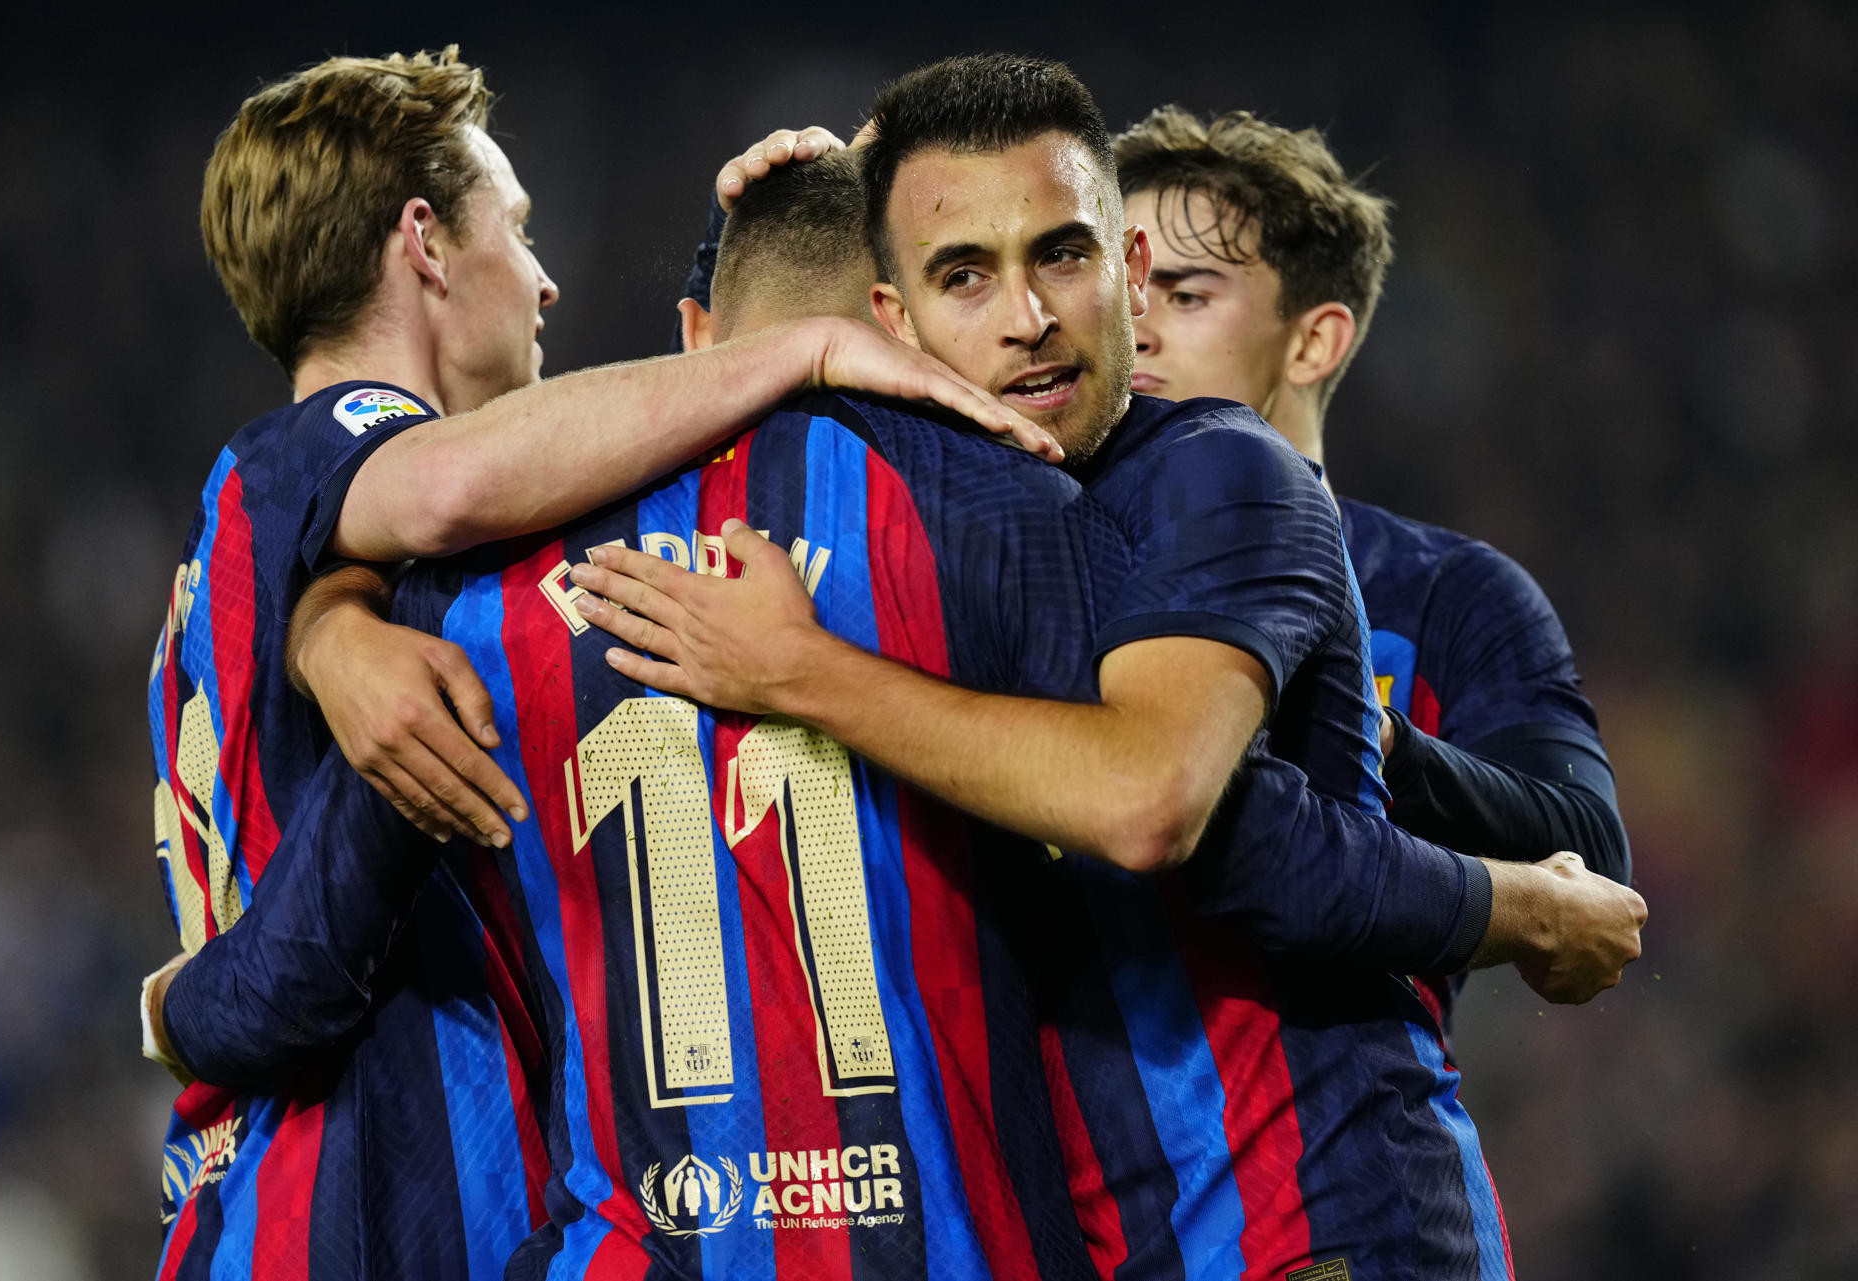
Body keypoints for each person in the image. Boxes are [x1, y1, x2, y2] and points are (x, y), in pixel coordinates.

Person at [567, 55, 1646, 1279]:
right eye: (965, 275)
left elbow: (1157, 809)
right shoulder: (937, 520)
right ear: (889, 321)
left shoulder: (1218, 476)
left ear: (1124, 275)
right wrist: (762, 228)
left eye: (1063, 256)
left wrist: (803, 672)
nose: (1027, 317)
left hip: (1308, 1228)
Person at [146, 48, 1050, 1280]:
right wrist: (799, 350)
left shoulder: (259, 553)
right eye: (514, 229)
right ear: (423, 244)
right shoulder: (337, 457)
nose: (546, 282)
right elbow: (456, 484)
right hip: (359, 1201)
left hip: (282, 1192)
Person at [1114, 105, 1630, 1028]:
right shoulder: (1052, 555)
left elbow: (1589, 860)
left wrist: (1366, 734)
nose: (1136, 330)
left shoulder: (1445, 592)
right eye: (1124, 293)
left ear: (1314, 341)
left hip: (1351, 1147)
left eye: (1186, 296)